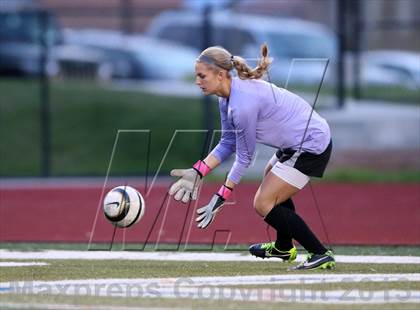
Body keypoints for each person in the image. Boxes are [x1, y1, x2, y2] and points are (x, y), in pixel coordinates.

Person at [168, 43, 335, 270]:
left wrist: (221, 195)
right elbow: (228, 142)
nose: (197, 81)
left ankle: (319, 252)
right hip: (296, 141)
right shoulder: (226, 97)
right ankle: (284, 247)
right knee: (271, 181)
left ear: (220, 75)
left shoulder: (241, 104)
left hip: (311, 143)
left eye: (201, 75)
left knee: (263, 203)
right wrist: (198, 171)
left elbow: (245, 156)